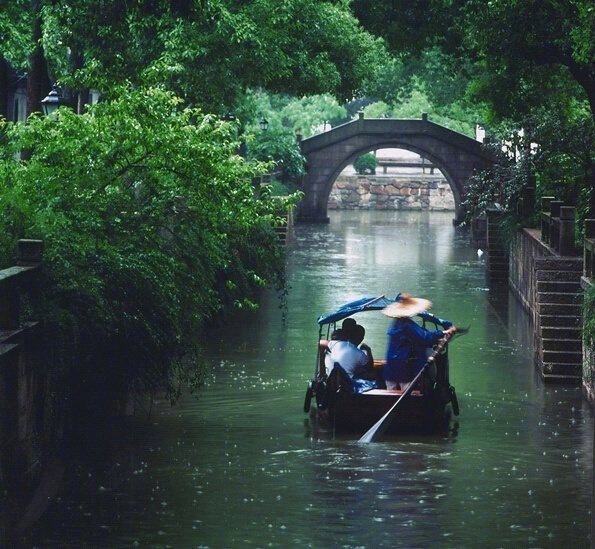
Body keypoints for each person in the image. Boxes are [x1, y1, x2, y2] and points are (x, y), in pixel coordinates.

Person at [382, 293, 457, 391]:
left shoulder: (395, 324)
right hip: (404, 368)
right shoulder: (407, 325)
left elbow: (417, 337)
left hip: (391, 367)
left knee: (390, 392)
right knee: (406, 393)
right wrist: (444, 332)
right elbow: (425, 337)